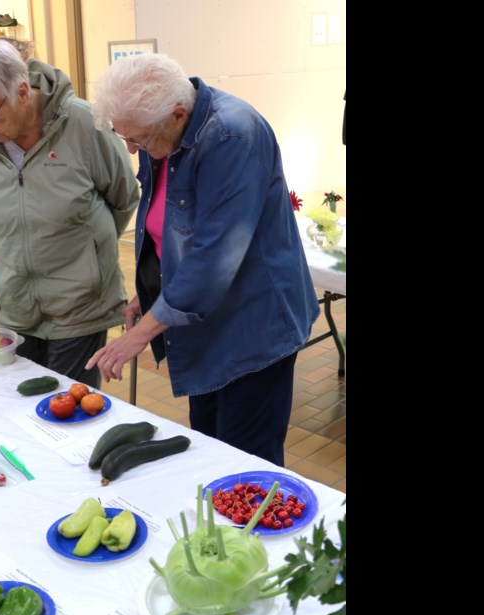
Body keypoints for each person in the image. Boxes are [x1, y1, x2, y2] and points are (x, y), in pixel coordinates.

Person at [85, 53, 320, 466]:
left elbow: (215, 254)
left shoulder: (231, 136)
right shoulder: (158, 129)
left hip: (252, 326)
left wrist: (139, 336)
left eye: (137, 140)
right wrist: (152, 286)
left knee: (246, 464)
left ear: (178, 115)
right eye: (123, 137)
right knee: (210, 449)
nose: (131, 148)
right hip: (202, 325)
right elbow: (165, 219)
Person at [0, 39, 139, 388]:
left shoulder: (81, 123)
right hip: (14, 303)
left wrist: (87, 254)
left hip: (79, 304)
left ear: (22, 91)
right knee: (20, 405)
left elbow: (123, 197)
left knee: (66, 407)